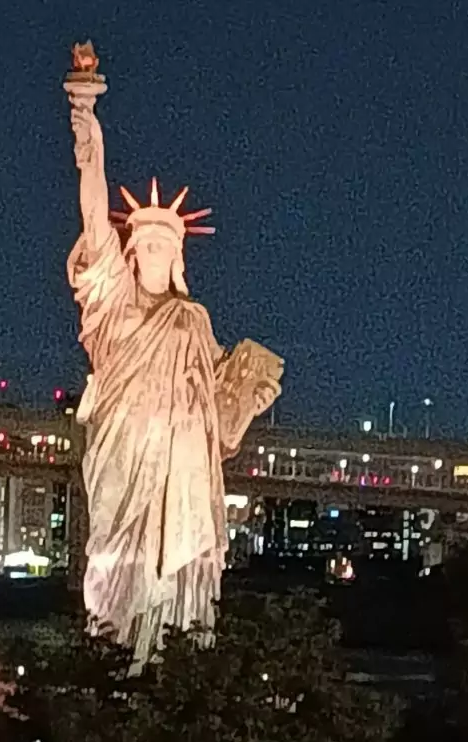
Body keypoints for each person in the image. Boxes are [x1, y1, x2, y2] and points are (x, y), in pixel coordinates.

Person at [66, 91, 279, 664]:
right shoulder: (114, 304)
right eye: (147, 243)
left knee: (178, 565)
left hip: (182, 468)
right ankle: (116, 653)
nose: (156, 250)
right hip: (125, 452)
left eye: (167, 243)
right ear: (131, 252)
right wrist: (89, 132)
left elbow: (216, 401)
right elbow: (93, 215)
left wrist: (246, 394)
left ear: (178, 255)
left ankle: (171, 658)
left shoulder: (193, 318)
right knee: (116, 554)